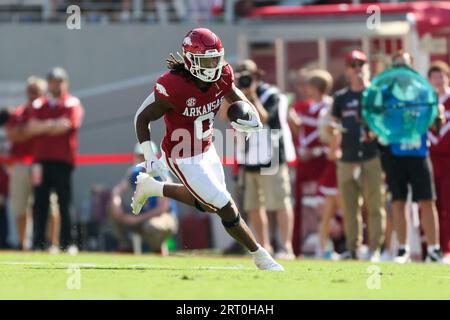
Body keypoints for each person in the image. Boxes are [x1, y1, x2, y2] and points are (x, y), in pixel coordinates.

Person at [132, 28, 283, 271]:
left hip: (207, 147)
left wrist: (247, 113)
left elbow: (234, 96)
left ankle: (153, 188)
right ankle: (262, 257)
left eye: (216, 59)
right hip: (181, 155)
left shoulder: (223, 74)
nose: (213, 65)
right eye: (206, 60)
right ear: (191, 59)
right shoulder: (173, 85)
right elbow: (142, 118)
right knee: (225, 206)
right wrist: (150, 157)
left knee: (209, 204)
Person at [226, 59, 295, 259]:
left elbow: (265, 119)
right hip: (249, 159)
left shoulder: (273, 95)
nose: (245, 81)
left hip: (271, 157)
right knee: (254, 205)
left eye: (248, 77)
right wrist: (232, 93)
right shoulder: (235, 96)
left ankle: (286, 246)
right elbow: (224, 116)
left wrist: (252, 96)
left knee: (279, 202)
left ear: (257, 76)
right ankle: (265, 246)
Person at [378, 51, 443, 263]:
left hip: (419, 153)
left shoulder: (423, 92)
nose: (402, 69)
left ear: (412, 66)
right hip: (395, 154)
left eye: (405, 65)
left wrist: (438, 116)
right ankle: (403, 250)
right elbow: (375, 118)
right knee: (398, 201)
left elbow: (435, 118)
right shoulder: (386, 94)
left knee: (426, 200)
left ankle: (434, 250)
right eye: (397, 65)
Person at [330, 50, 386, 261]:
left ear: (367, 67)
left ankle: (375, 249)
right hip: (347, 157)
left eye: (361, 64)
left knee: (375, 204)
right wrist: (334, 141)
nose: (357, 68)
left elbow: (384, 123)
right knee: (350, 206)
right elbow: (334, 124)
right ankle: (353, 248)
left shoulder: (375, 94)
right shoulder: (341, 97)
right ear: (347, 71)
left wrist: (375, 130)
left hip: (371, 156)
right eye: (353, 65)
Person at [28, 67, 84, 253]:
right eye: (53, 81)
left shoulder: (72, 102)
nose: (56, 84)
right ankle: (38, 243)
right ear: (48, 83)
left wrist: (44, 127)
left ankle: (68, 243)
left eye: (59, 81)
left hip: (62, 160)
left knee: (64, 202)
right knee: (40, 202)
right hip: (40, 161)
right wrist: (53, 125)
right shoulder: (38, 104)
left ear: (65, 83)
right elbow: (31, 127)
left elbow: (67, 125)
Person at [110, 143, 178, 255]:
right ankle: (126, 247)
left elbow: (162, 209)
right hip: (142, 217)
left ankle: (158, 248)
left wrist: (137, 219)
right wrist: (116, 202)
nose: (143, 159)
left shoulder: (162, 175)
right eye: (140, 156)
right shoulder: (133, 173)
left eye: (146, 155)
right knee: (112, 208)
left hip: (162, 218)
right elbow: (117, 190)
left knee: (152, 226)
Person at [3, 76, 46, 249]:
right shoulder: (19, 112)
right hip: (20, 164)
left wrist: (27, 130)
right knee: (20, 206)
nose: (32, 94)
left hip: (41, 163)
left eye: (35, 91)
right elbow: (12, 134)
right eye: (29, 90)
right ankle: (24, 244)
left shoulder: (47, 110)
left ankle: (52, 243)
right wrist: (34, 129)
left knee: (47, 206)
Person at [427, 61, 450, 261]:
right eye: (434, 77)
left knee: (448, 205)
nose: (439, 80)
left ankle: (446, 249)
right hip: (429, 160)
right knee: (430, 204)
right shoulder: (426, 102)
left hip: (448, 160)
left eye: (441, 76)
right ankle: (433, 249)